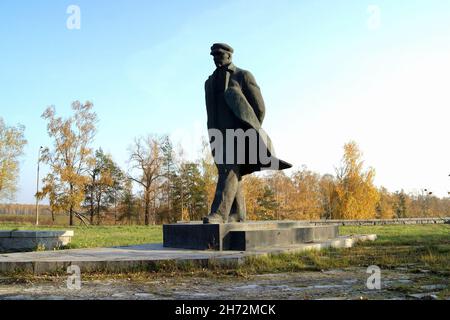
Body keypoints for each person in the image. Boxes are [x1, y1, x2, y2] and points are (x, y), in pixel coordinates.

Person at [203, 43, 292, 224]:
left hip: (239, 133)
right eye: (213, 55)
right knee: (231, 171)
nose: (216, 58)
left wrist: (250, 130)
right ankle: (238, 214)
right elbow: (210, 111)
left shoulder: (243, 76)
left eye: (219, 54)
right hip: (218, 133)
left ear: (229, 55)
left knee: (229, 168)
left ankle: (219, 214)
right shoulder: (209, 82)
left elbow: (259, 107)